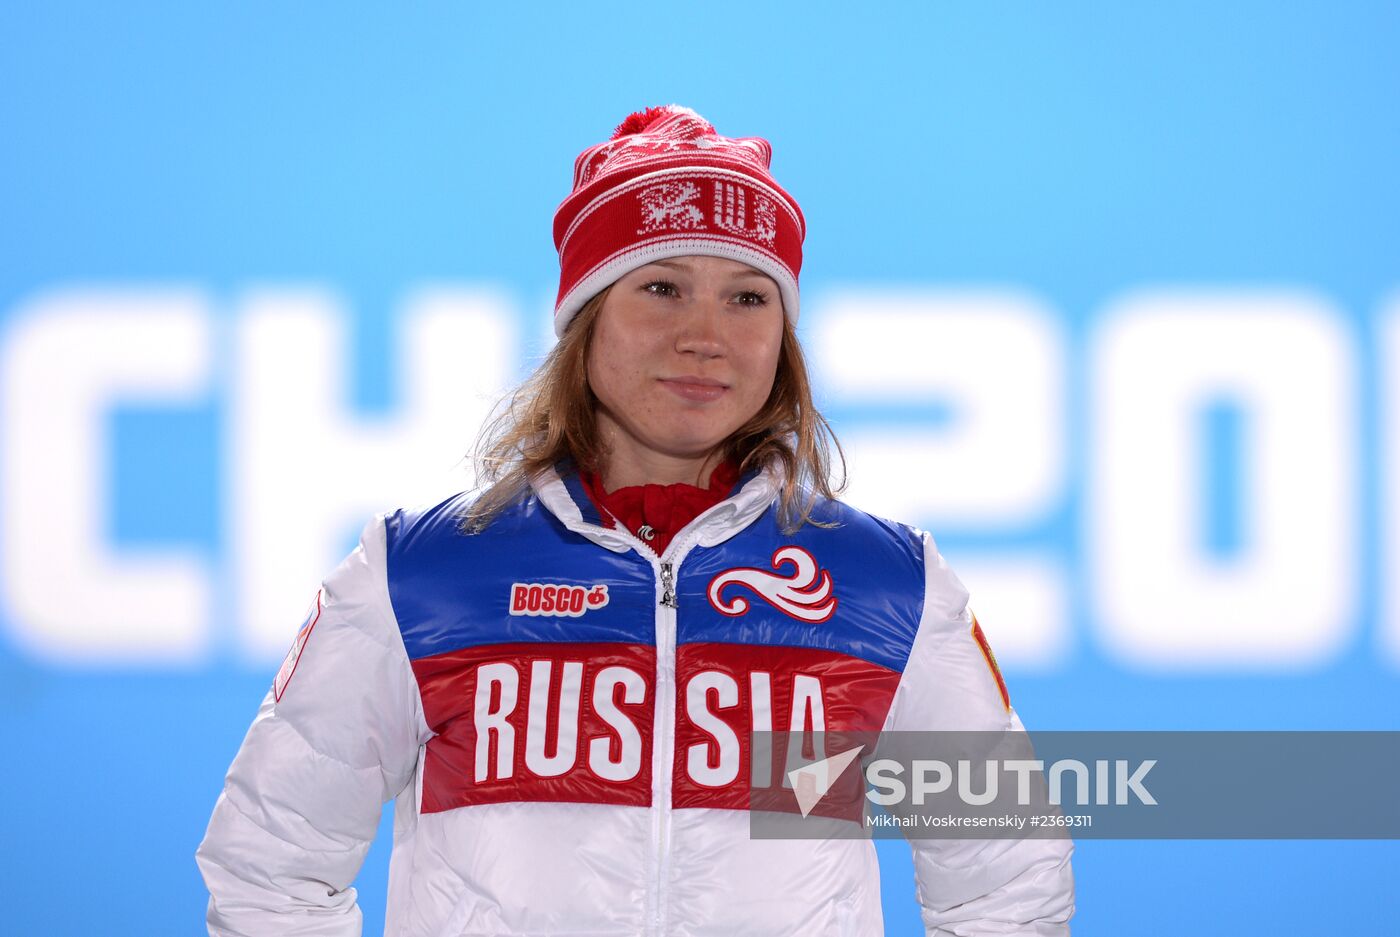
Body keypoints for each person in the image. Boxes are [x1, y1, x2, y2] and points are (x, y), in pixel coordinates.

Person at [196, 104, 1074, 936]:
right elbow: (271, 864)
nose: (706, 336)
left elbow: (1006, 877)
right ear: (586, 320)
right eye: (661, 286)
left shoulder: (887, 584)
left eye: (748, 297)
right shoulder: (425, 575)